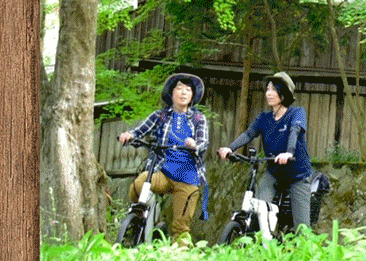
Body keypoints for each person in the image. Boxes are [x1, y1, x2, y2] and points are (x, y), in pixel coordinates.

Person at [119, 72, 209, 246]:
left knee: (181, 227)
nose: (183, 92)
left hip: (188, 178)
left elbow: (203, 142)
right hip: (163, 171)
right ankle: (139, 218)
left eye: (188, 90)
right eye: (179, 88)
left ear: (192, 96)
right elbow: (139, 131)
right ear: (172, 93)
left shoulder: (199, 119)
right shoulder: (160, 116)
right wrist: (129, 135)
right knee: (139, 183)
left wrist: (194, 144)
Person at [218, 72, 314, 232]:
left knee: (302, 229)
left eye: (274, 89)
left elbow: (294, 131)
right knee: (258, 211)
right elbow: (249, 134)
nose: (268, 93)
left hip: (297, 175)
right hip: (274, 173)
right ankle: (259, 244)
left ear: (284, 93)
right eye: (267, 89)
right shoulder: (264, 118)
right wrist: (230, 148)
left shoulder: (297, 113)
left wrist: (289, 153)